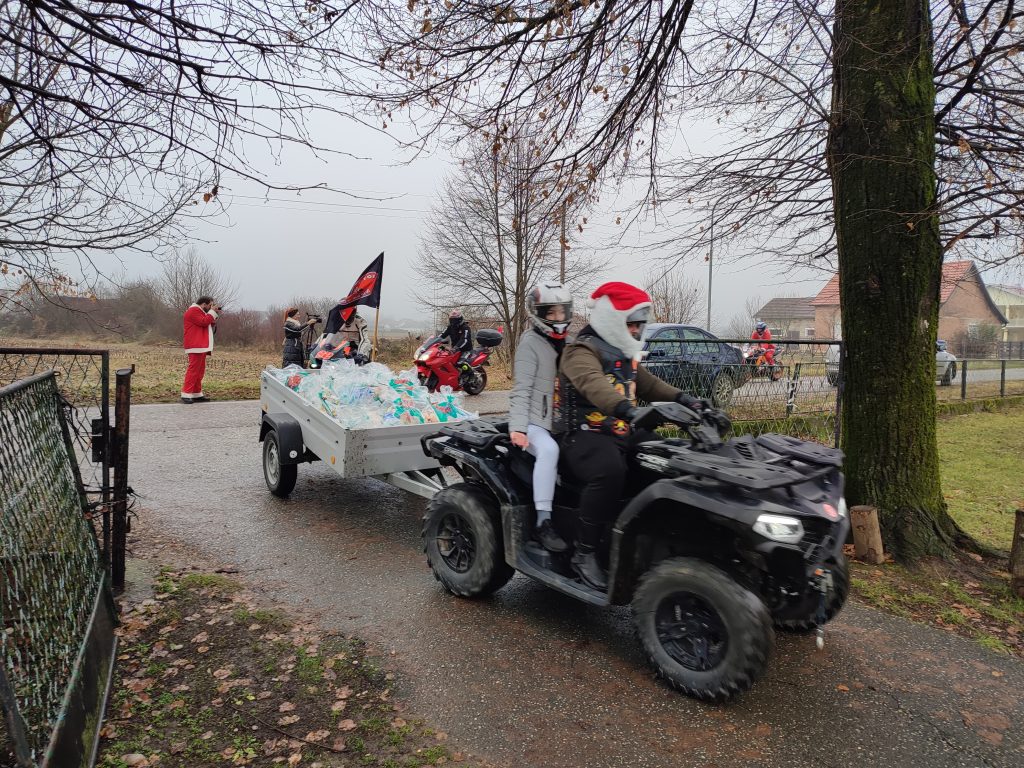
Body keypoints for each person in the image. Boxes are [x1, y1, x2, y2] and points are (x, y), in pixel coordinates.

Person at [557, 282, 727, 590]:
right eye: (631, 324)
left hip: (623, 430)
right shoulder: (580, 350)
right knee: (609, 471)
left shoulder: (624, 352)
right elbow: (593, 384)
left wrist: (689, 401)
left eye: (640, 325)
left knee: (671, 458)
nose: (637, 330)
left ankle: (659, 535)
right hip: (584, 434)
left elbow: (649, 384)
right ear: (614, 320)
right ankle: (584, 554)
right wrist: (628, 410)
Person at [509, 281, 573, 553]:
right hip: (537, 422)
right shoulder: (530, 343)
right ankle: (543, 521)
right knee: (549, 451)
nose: (557, 318)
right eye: (551, 313)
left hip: (564, 420)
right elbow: (521, 389)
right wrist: (519, 428)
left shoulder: (571, 342)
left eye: (561, 312)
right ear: (538, 313)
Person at [181, 296, 220, 403]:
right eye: (210, 305)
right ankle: (186, 393)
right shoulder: (193, 311)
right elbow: (203, 322)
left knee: (199, 371)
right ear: (204, 304)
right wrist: (212, 313)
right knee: (193, 370)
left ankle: (196, 393)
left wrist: (214, 314)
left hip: (200, 345)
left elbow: (207, 323)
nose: (210, 307)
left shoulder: (199, 311)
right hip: (195, 345)